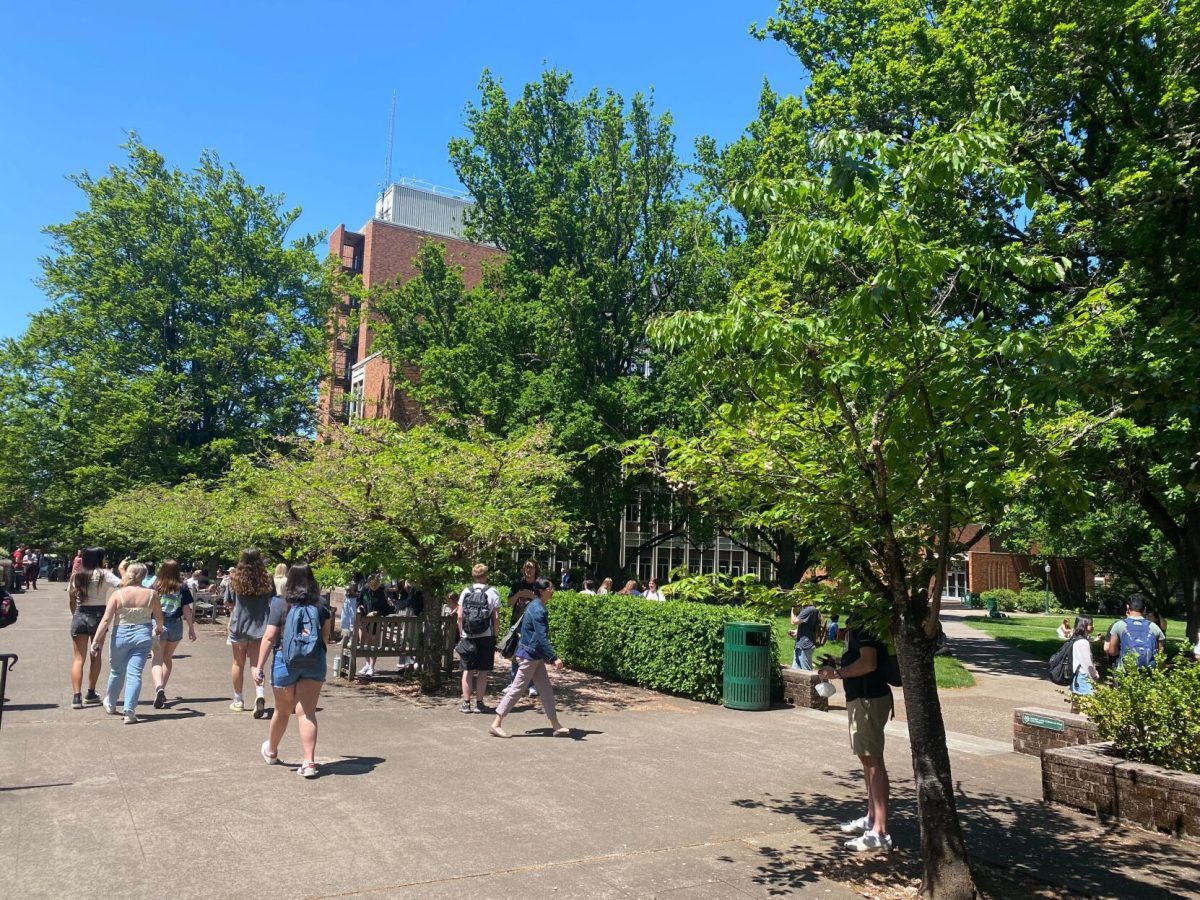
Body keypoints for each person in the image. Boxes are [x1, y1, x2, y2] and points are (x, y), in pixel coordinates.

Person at [817, 616, 894, 853]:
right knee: (867, 759)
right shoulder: (858, 619)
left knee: (872, 761)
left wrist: (838, 673)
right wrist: (839, 663)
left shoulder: (864, 621)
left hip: (868, 699)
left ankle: (880, 832)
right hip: (863, 698)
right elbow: (862, 658)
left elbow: (869, 663)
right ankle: (872, 818)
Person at [253, 561, 331, 778]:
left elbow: (269, 637)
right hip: (314, 662)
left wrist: (259, 666)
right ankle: (309, 762)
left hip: (285, 662)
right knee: (306, 712)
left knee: (282, 711)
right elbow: (326, 637)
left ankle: (272, 751)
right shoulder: (321, 604)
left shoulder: (280, 603)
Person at [489, 577, 571, 739]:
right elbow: (541, 637)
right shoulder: (538, 609)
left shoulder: (535, 605)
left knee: (546, 690)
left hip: (533, 655)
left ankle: (555, 724)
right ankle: (496, 723)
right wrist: (554, 657)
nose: (552, 591)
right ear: (541, 591)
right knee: (517, 689)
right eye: (550, 588)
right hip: (529, 656)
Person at [90, 562, 164, 724]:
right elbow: (159, 618)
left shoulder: (118, 594)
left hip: (121, 635)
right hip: (143, 635)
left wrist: (96, 640)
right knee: (134, 673)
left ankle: (111, 703)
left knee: (117, 671)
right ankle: (129, 710)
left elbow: (106, 619)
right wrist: (158, 629)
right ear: (144, 576)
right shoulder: (152, 594)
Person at [68, 547, 122, 709]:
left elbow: (71, 598)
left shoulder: (77, 575)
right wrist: (123, 569)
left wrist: (75, 614)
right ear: (99, 558)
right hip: (98, 616)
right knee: (95, 656)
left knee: (78, 658)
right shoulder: (104, 574)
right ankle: (90, 692)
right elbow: (122, 584)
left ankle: (76, 697)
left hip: (80, 614)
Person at [227, 548, 275, 716]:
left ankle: (238, 700)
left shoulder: (234, 578)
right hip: (261, 626)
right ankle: (259, 694)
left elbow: (229, 603)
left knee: (237, 664)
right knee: (257, 664)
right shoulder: (267, 579)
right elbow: (273, 600)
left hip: (239, 626)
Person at [149, 560, 196, 709]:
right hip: (175, 624)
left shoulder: (155, 585)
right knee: (167, 659)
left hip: (158, 624)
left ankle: (159, 688)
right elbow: (186, 609)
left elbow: (148, 605)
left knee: (157, 659)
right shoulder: (182, 586)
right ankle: (162, 688)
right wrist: (191, 628)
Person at [458, 564, 501, 713]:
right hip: (486, 636)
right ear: (486, 575)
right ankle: (479, 703)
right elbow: (496, 617)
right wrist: (495, 634)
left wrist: (461, 634)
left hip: (468, 635)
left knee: (467, 670)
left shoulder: (465, 591)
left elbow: (459, 616)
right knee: (483, 671)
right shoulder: (492, 592)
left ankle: (465, 703)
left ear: (473, 575)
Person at [508, 559, 542, 699]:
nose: (528, 569)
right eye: (526, 567)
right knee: (516, 653)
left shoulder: (540, 584)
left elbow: (544, 602)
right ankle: (514, 682)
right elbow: (509, 603)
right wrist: (519, 594)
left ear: (536, 569)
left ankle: (532, 685)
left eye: (531, 567)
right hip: (517, 623)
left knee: (532, 654)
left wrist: (532, 597)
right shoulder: (517, 583)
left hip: (533, 624)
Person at [1105, 594, 1166, 672]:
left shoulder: (1119, 625)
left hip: (1126, 674)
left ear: (1127, 607)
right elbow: (1160, 656)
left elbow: (1112, 652)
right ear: (1144, 609)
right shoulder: (1154, 627)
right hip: (1148, 673)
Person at [356, 574, 393, 677]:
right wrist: (359, 607)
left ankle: (372, 666)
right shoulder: (364, 590)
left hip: (375, 621)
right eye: (372, 586)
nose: (374, 588)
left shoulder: (382, 592)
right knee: (363, 642)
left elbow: (387, 609)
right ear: (368, 584)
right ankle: (367, 664)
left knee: (373, 644)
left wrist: (376, 613)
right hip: (364, 619)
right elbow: (358, 601)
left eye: (376, 586)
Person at [1069, 616, 1099, 697]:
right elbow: (1087, 663)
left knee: (1076, 706)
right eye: (1091, 624)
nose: (1093, 627)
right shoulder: (1083, 642)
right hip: (1083, 678)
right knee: (1087, 706)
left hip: (1076, 676)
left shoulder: (1075, 639)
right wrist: (1094, 676)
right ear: (1083, 625)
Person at [789, 602, 820, 670]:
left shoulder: (809, 609)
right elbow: (808, 625)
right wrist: (797, 631)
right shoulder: (810, 609)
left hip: (805, 645)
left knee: (806, 672)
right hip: (800, 644)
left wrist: (793, 609)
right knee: (795, 671)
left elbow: (793, 621)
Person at [341, 571, 364, 638]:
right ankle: (344, 638)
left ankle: (352, 639)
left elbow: (360, 594)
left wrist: (352, 592)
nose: (352, 575)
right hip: (347, 600)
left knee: (352, 619)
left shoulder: (360, 582)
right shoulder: (350, 581)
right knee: (344, 619)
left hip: (354, 601)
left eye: (354, 573)